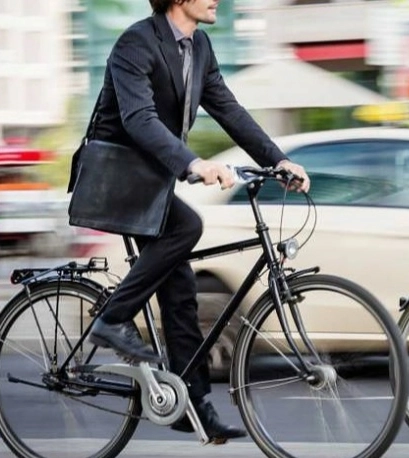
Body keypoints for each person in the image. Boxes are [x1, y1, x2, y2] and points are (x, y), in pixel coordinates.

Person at [75, 0, 311, 443]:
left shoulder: (198, 47)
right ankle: (111, 318)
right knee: (187, 228)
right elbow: (138, 119)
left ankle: (194, 406)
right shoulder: (136, 43)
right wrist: (195, 163)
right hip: (118, 175)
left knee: (181, 291)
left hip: (152, 182)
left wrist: (279, 160)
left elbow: (229, 111)